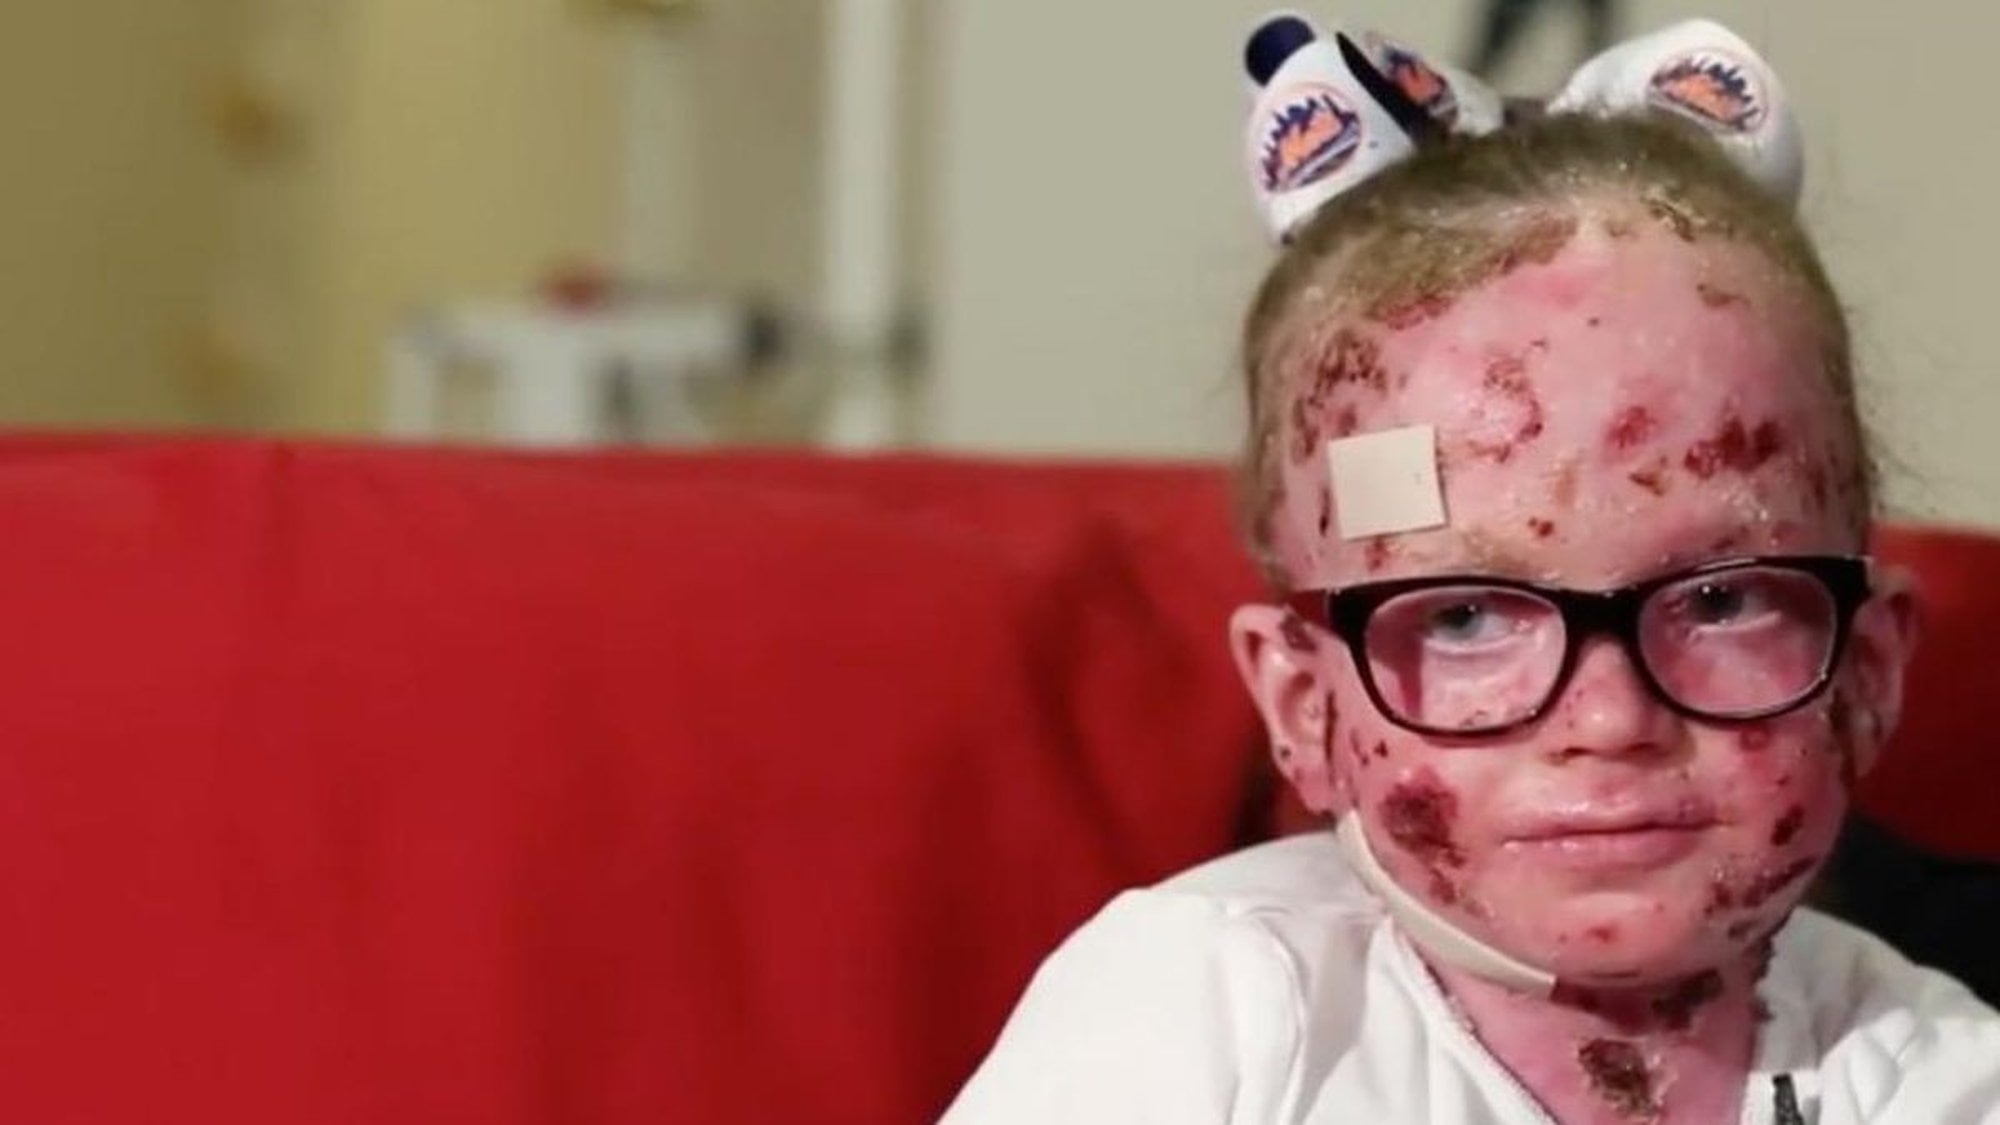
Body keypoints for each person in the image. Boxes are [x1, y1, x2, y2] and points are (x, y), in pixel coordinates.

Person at [942, 14, 2000, 1124]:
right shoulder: (1199, 1011)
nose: (1608, 719)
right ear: (1303, 706)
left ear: (1867, 674)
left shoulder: (1934, 1072)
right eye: (1460, 619)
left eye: (1720, 598)